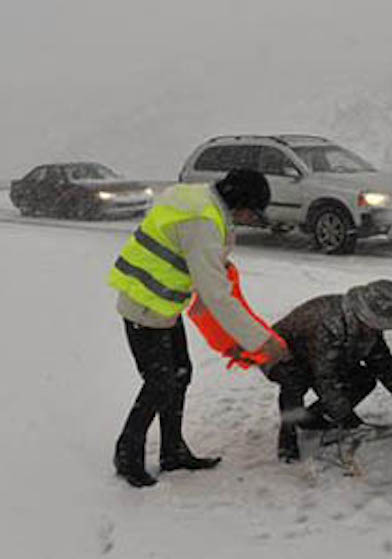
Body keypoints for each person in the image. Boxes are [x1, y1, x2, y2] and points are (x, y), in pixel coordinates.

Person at [107, 169, 290, 488]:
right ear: (239, 202)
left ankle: (172, 451)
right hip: (145, 306)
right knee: (160, 382)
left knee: (180, 373)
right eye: (250, 212)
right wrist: (262, 342)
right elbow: (216, 296)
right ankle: (127, 454)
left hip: (160, 304)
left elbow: (192, 257)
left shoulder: (199, 197)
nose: (249, 219)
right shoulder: (203, 221)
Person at [261, 279, 392, 462]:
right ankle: (288, 440)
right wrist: (349, 421)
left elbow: (386, 367)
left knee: (364, 378)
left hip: (322, 356)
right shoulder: (328, 324)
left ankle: (311, 419)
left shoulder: (369, 331)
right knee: (295, 381)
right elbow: (324, 379)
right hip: (277, 354)